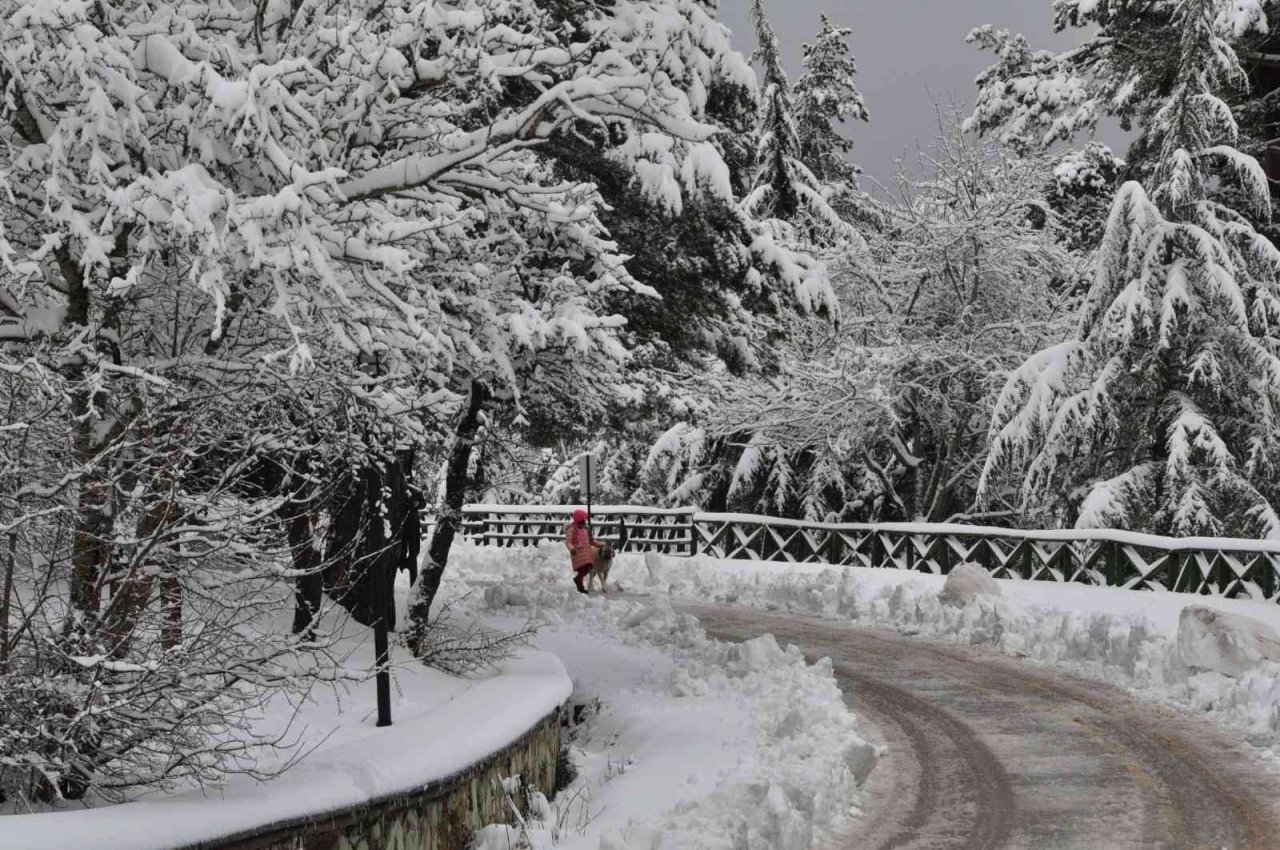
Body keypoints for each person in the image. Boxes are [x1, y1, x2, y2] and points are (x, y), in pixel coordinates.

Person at [564, 508, 599, 594]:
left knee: (588, 567)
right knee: (583, 568)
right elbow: (568, 542)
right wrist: (572, 548)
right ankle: (579, 584)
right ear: (580, 519)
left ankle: (579, 583)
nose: (585, 520)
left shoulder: (586, 529)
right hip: (577, 552)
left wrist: (600, 545)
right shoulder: (572, 529)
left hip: (586, 552)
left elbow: (591, 541)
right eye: (584, 518)